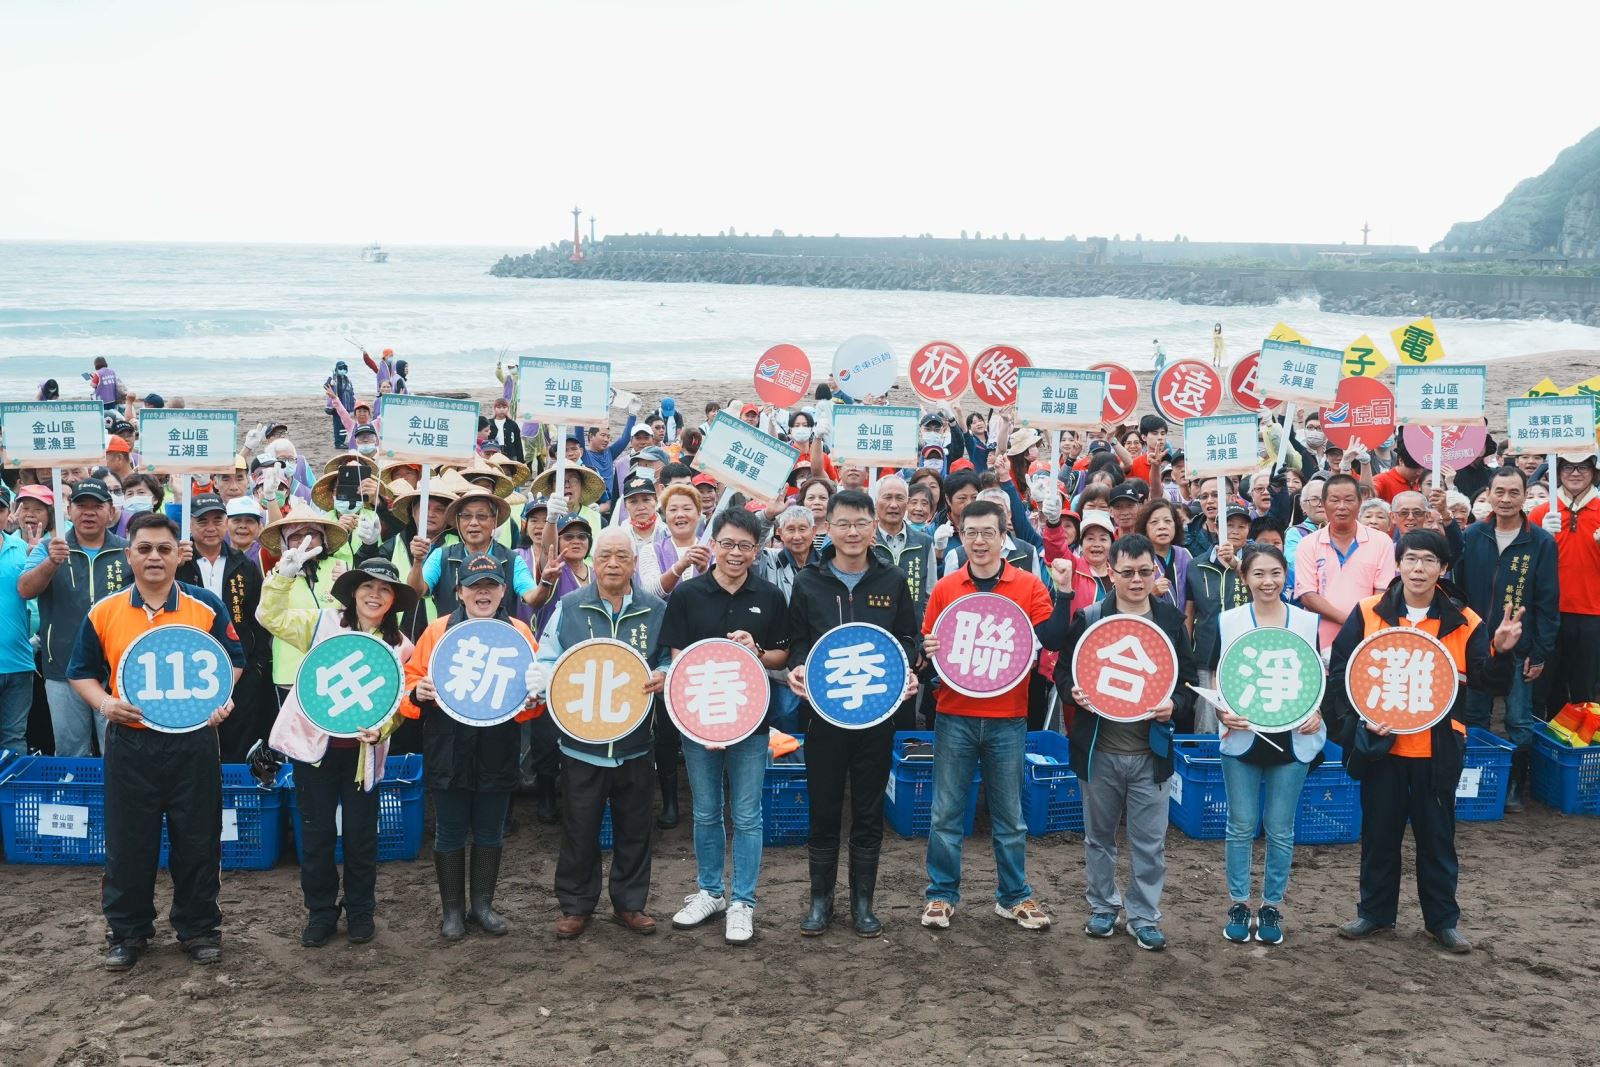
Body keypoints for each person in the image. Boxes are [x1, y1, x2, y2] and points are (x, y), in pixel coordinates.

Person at [1326, 530, 1521, 954]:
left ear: (1443, 568)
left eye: (1429, 560)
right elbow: (1341, 673)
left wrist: (1503, 652)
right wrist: (1360, 722)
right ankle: (1375, 913)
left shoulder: (1463, 620)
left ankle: (1442, 921)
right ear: (1397, 564)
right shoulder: (1368, 612)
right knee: (1379, 835)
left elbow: (1487, 681)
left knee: (1437, 838)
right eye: (1411, 559)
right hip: (1383, 747)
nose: (1419, 568)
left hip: (1437, 749)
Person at [66, 512, 246, 971]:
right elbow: (81, 673)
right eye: (144, 548)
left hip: (194, 742)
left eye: (163, 549)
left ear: (176, 554)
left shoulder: (204, 606)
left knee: (199, 839)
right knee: (129, 842)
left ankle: (199, 928)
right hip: (130, 743)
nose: (154, 557)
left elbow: (234, 660)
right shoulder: (104, 611)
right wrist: (105, 704)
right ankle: (127, 932)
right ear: (129, 554)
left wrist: (220, 700)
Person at [918, 500, 1072, 932]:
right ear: (960, 534)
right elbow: (928, 653)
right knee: (946, 812)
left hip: (1008, 716)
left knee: (1011, 816)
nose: (980, 541)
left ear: (1004, 536)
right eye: (971, 532)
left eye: (989, 532)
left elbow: (1053, 636)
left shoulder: (1027, 585)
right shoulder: (947, 588)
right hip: (954, 714)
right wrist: (925, 653)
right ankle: (941, 895)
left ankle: (1014, 895)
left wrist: (1063, 592)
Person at [259, 552, 416, 947]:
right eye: (368, 587)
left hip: (363, 754)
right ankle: (321, 910)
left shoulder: (401, 646)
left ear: (394, 599)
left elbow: (401, 703)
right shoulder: (322, 623)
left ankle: (361, 910)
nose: (375, 595)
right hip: (315, 749)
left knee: (363, 834)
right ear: (353, 592)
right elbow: (270, 617)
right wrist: (282, 576)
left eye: (384, 589)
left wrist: (383, 730)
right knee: (318, 832)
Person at [786, 490, 919, 937]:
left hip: (876, 716)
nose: (852, 532)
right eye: (843, 523)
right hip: (824, 716)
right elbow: (799, 640)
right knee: (823, 809)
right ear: (829, 526)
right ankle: (820, 901)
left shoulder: (892, 579)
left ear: (873, 525)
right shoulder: (809, 581)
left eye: (861, 523)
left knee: (868, 809)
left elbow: (908, 640)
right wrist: (798, 668)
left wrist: (907, 673)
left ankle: (863, 902)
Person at [1060, 533, 1197, 951]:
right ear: (1111, 573)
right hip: (1099, 749)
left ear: (1154, 572)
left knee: (1150, 842)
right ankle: (1103, 907)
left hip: (1150, 752)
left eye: (1144, 572)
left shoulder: (1170, 620)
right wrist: (1074, 693)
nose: (1136, 580)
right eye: (1127, 573)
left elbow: (1187, 683)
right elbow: (1062, 674)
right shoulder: (1090, 617)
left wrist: (1174, 704)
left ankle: (1143, 915)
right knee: (1098, 836)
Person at [659, 507, 790, 945]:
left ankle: (743, 902)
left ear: (757, 551)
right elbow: (677, 659)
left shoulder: (769, 596)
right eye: (728, 543)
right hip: (698, 720)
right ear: (712, 543)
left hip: (751, 722)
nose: (736, 553)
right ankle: (711, 891)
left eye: (746, 546)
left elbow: (781, 657)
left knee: (748, 814)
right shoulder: (688, 594)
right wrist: (702, 724)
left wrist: (757, 649)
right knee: (705, 810)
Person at [533, 528, 669, 939]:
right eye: (605, 555)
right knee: (579, 827)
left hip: (636, 741)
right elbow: (546, 658)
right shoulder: (570, 606)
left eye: (621, 557)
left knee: (634, 827)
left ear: (633, 562)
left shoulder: (655, 608)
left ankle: (629, 904)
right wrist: (550, 681)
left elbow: (668, 655)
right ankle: (576, 906)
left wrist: (664, 671)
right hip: (581, 743)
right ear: (593, 561)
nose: (613, 564)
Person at [403, 553, 543, 940]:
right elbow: (410, 683)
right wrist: (418, 692)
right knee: (448, 831)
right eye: (474, 586)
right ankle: (452, 911)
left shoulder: (519, 632)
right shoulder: (437, 630)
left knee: (490, 830)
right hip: (448, 745)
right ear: (459, 591)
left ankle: (482, 905)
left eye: (492, 586)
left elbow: (531, 698)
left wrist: (534, 701)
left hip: (497, 746)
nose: (483, 593)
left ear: (503, 591)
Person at [1211, 544, 1325, 945]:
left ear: (1286, 576)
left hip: (1292, 739)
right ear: (1244, 578)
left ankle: (1272, 905)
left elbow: (1318, 676)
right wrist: (1222, 712)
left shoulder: (1307, 622)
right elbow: (1216, 676)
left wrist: (1318, 713)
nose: (1268, 582)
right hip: (1242, 735)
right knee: (1240, 826)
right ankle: (1239, 903)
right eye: (1258, 573)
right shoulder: (1229, 621)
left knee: (1280, 829)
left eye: (1275, 573)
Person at [1458, 465, 1557, 813]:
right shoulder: (1471, 536)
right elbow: (1458, 592)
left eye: (1514, 492)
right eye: (1499, 492)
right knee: (1475, 715)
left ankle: (1515, 785)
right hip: (1476, 645)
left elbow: (1547, 602)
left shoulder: (1540, 542)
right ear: (1488, 493)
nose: (1505, 499)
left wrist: (1540, 651)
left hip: (1520, 646)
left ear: (1525, 495)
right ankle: (1476, 781)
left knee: (1518, 718)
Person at [18, 477, 131, 756]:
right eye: (81, 505)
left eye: (97, 506)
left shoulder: (128, 551)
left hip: (117, 668)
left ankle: (117, 800)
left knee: (118, 749)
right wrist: (51, 562)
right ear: (69, 511)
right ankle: (76, 800)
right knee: (70, 751)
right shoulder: (49, 548)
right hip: (62, 668)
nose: (89, 512)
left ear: (111, 512)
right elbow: (25, 589)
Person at [176, 493, 269, 761]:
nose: (210, 527)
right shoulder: (178, 563)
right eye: (202, 521)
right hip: (188, 664)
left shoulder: (245, 565)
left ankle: (234, 794)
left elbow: (258, 618)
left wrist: (257, 663)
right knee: (194, 734)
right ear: (191, 526)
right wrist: (174, 566)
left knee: (238, 735)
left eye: (217, 520)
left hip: (238, 666)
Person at [1528, 453, 1600, 715]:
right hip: (1548, 614)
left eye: (1583, 466)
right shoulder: (1541, 512)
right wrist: (1539, 538)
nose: (1576, 473)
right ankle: (1546, 749)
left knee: (1585, 690)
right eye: (1569, 466)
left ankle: (1583, 749)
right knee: (1546, 687)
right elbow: (1524, 562)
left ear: (1594, 471)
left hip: (1592, 613)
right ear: (1558, 471)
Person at [1293, 474, 1397, 650]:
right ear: (1324, 504)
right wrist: (1349, 621)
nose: (1342, 507)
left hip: (1366, 636)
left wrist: (1360, 624)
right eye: (1334, 500)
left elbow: (1382, 593)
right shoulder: (1308, 543)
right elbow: (1307, 595)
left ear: (1359, 503)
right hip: (1319, 638)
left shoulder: (1381, 542)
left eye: (1349, 500)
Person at [0, 491, 33, 752]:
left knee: (14, 739)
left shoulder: (23, 548)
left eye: (0, 510)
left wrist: (38, 559)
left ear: (8, 513)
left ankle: (12, 793)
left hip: (18, 663)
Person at [324, 360, 357, 449]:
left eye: (344, 368)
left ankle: (342, 441)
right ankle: (338, 443)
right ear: (337, 369)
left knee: (344, 424)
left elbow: (351, 393)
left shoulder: (347, 380)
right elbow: (326, 386)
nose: (342, 370)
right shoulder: (333, 378)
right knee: (338, 424)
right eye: (340, 368)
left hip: (346, 406)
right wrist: (331, 383)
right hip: (337, 406)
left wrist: (353, 405)